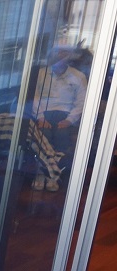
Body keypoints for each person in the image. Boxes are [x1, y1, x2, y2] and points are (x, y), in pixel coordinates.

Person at [29, 46, 88, 192]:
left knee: (62, 138)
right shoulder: (41, 74)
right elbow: (35, 98)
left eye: (64, 53)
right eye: (58, 53)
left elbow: (81, 102)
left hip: (66, 115)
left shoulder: (78, 76)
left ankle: (53, 176)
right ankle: (41, 173)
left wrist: (69, 120)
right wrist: (40, 117)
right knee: (42, 137)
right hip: (44, 113)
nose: (61, 57)